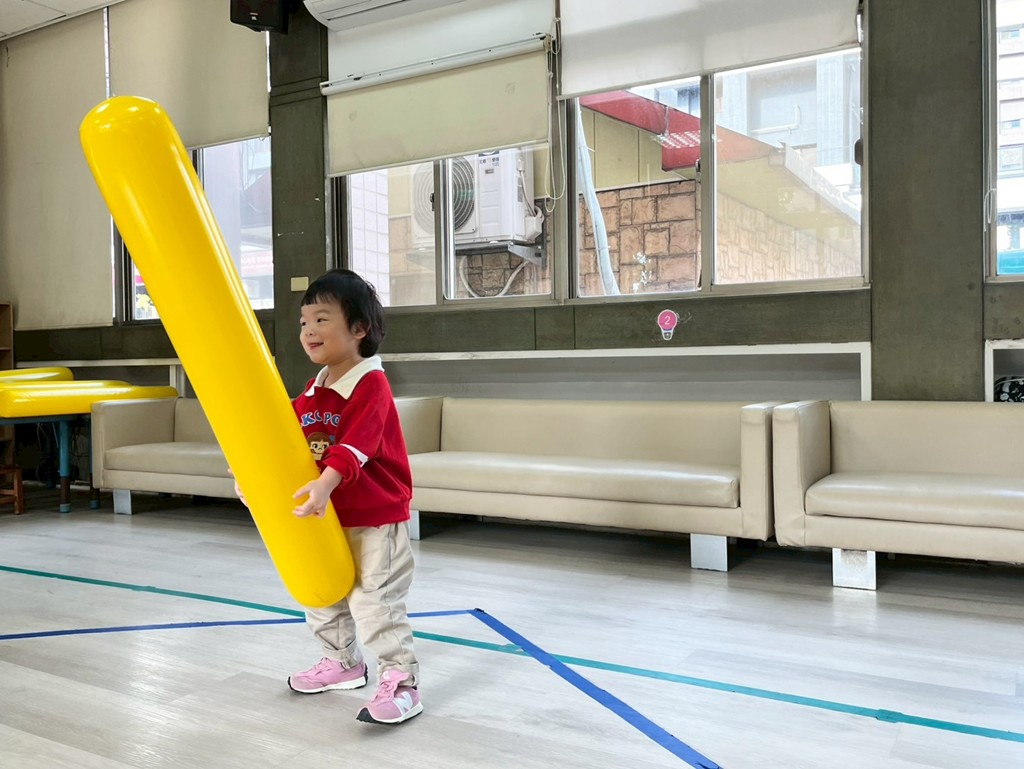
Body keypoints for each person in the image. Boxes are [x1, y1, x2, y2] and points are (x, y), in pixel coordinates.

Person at [235, 268, 421, 725]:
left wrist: (325, 482)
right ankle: (342, 663)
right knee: (323, 592)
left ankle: (402, 682)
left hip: (375, 518)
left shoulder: (371, 384)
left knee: (375, 601)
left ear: (358, 329)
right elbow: (282, 437)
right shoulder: (313, 390)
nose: (308, 331)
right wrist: (250, 475)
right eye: (304, 322)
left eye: (321, 319)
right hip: (329, 514)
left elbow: (356, 444)